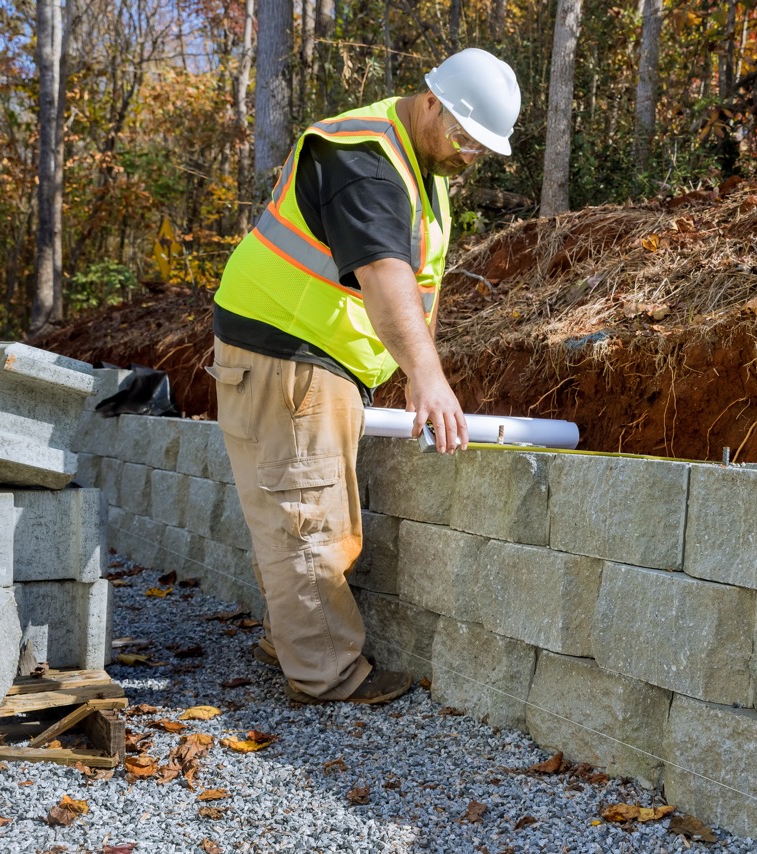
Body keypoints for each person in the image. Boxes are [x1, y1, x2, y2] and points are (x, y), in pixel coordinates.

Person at [207, 48, 521, 704]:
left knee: (315, 512)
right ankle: (326, 676)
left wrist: (410, 370)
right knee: (309, 521)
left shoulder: (418, 165)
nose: (469, 156)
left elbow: (417, 288)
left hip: (314, 358)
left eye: (482, 150)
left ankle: (291, 641)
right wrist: (427, 378)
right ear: (431, 102)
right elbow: (385, 276)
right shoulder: (364, 160)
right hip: (286, 352)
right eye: (464, 138)